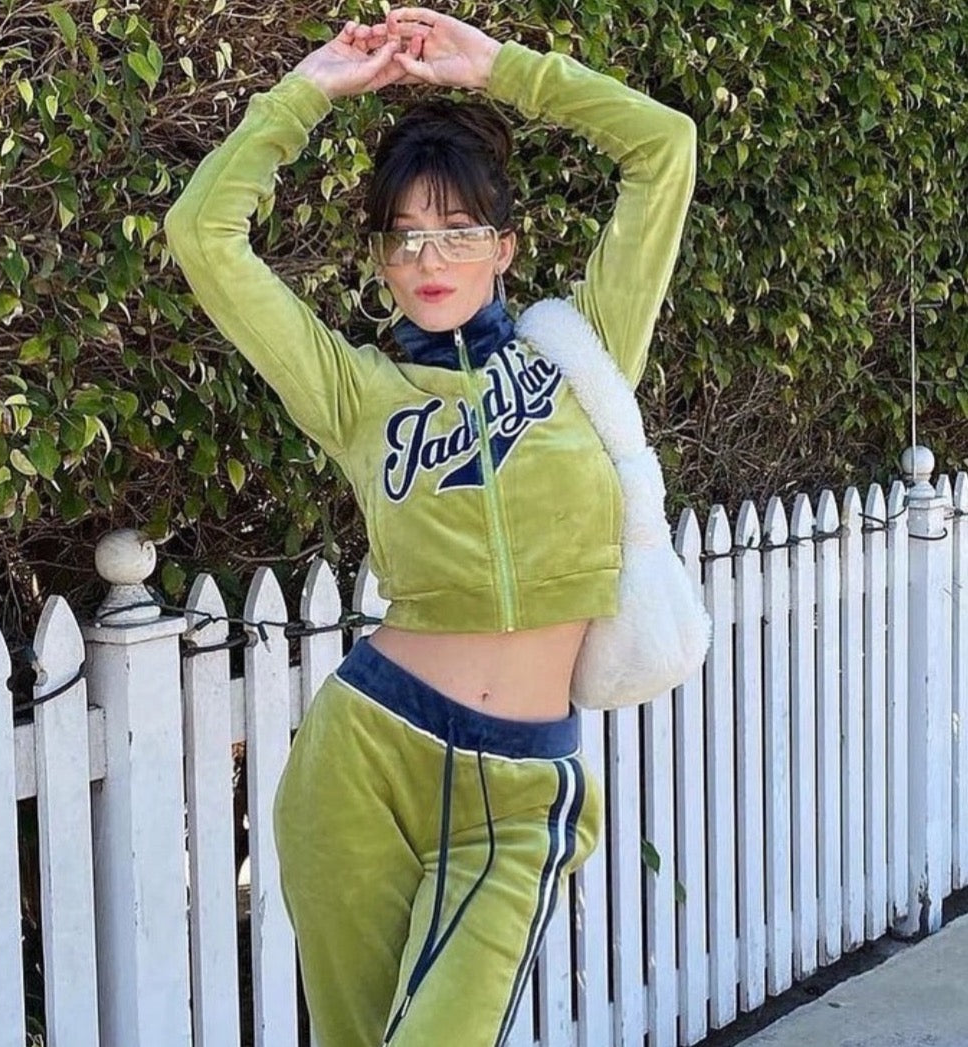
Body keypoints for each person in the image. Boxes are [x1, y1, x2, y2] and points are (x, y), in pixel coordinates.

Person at [165, 7, 695, 1045]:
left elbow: (663, 146)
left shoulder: (582, 357)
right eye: (404, 235)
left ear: (505, 246)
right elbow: (203, 235)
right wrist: (305, 93)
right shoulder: (358, 393)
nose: (430, 255)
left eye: (458, 229)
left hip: (519, 787)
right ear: (379, 258)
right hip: (364, 758)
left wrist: (503, 70)